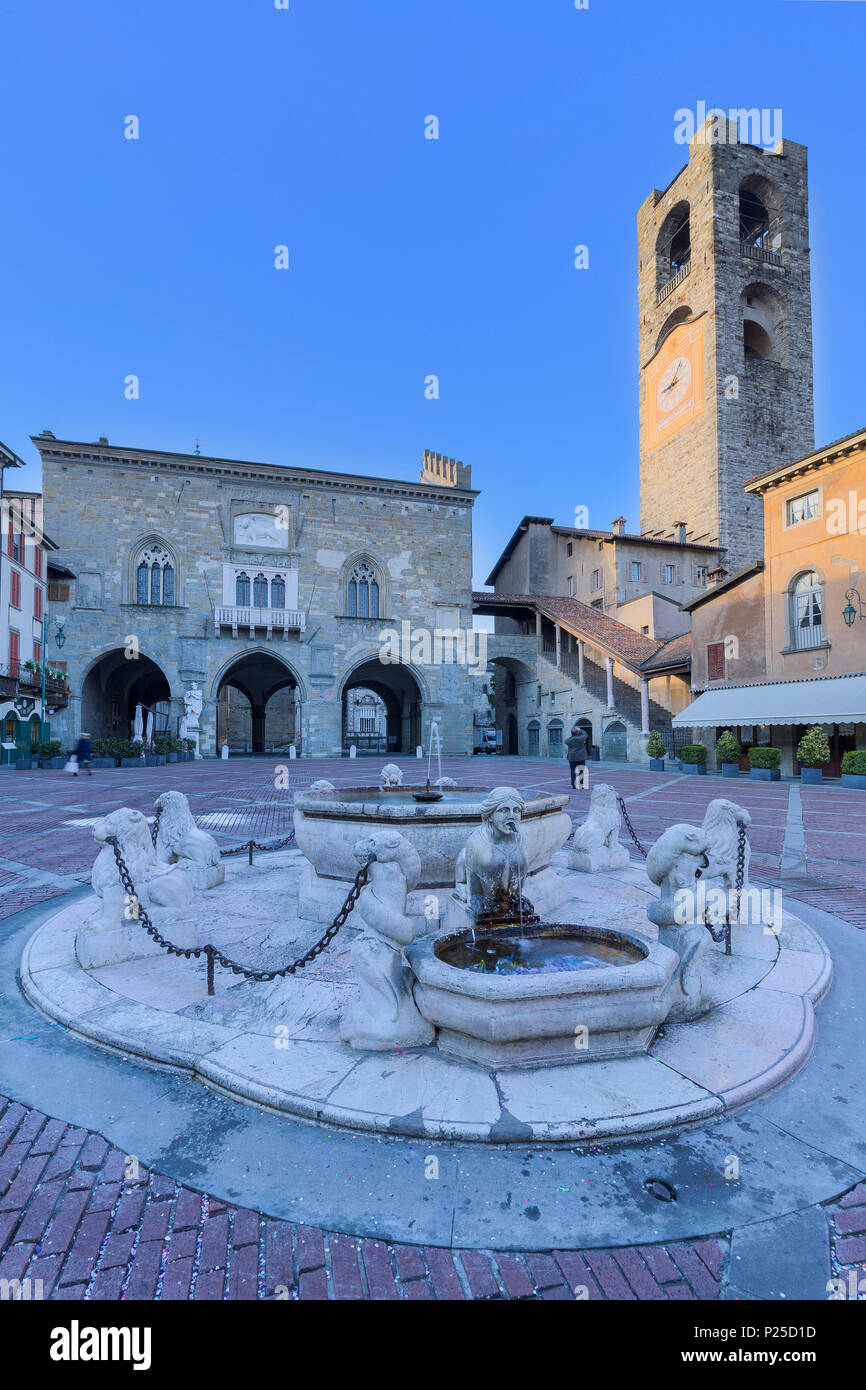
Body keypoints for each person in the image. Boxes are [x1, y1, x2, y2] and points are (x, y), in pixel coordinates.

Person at [565, 724, 588, 789]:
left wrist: (573, 734)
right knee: (581, 771)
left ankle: (573, 785)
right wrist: (580, 730)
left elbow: (566, 741)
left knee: (572, 771)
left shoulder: (569, 740)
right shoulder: (580, 738)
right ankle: (581, 785)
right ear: (577, 732)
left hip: (572, 757)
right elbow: (585, 735)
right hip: (581, 757)